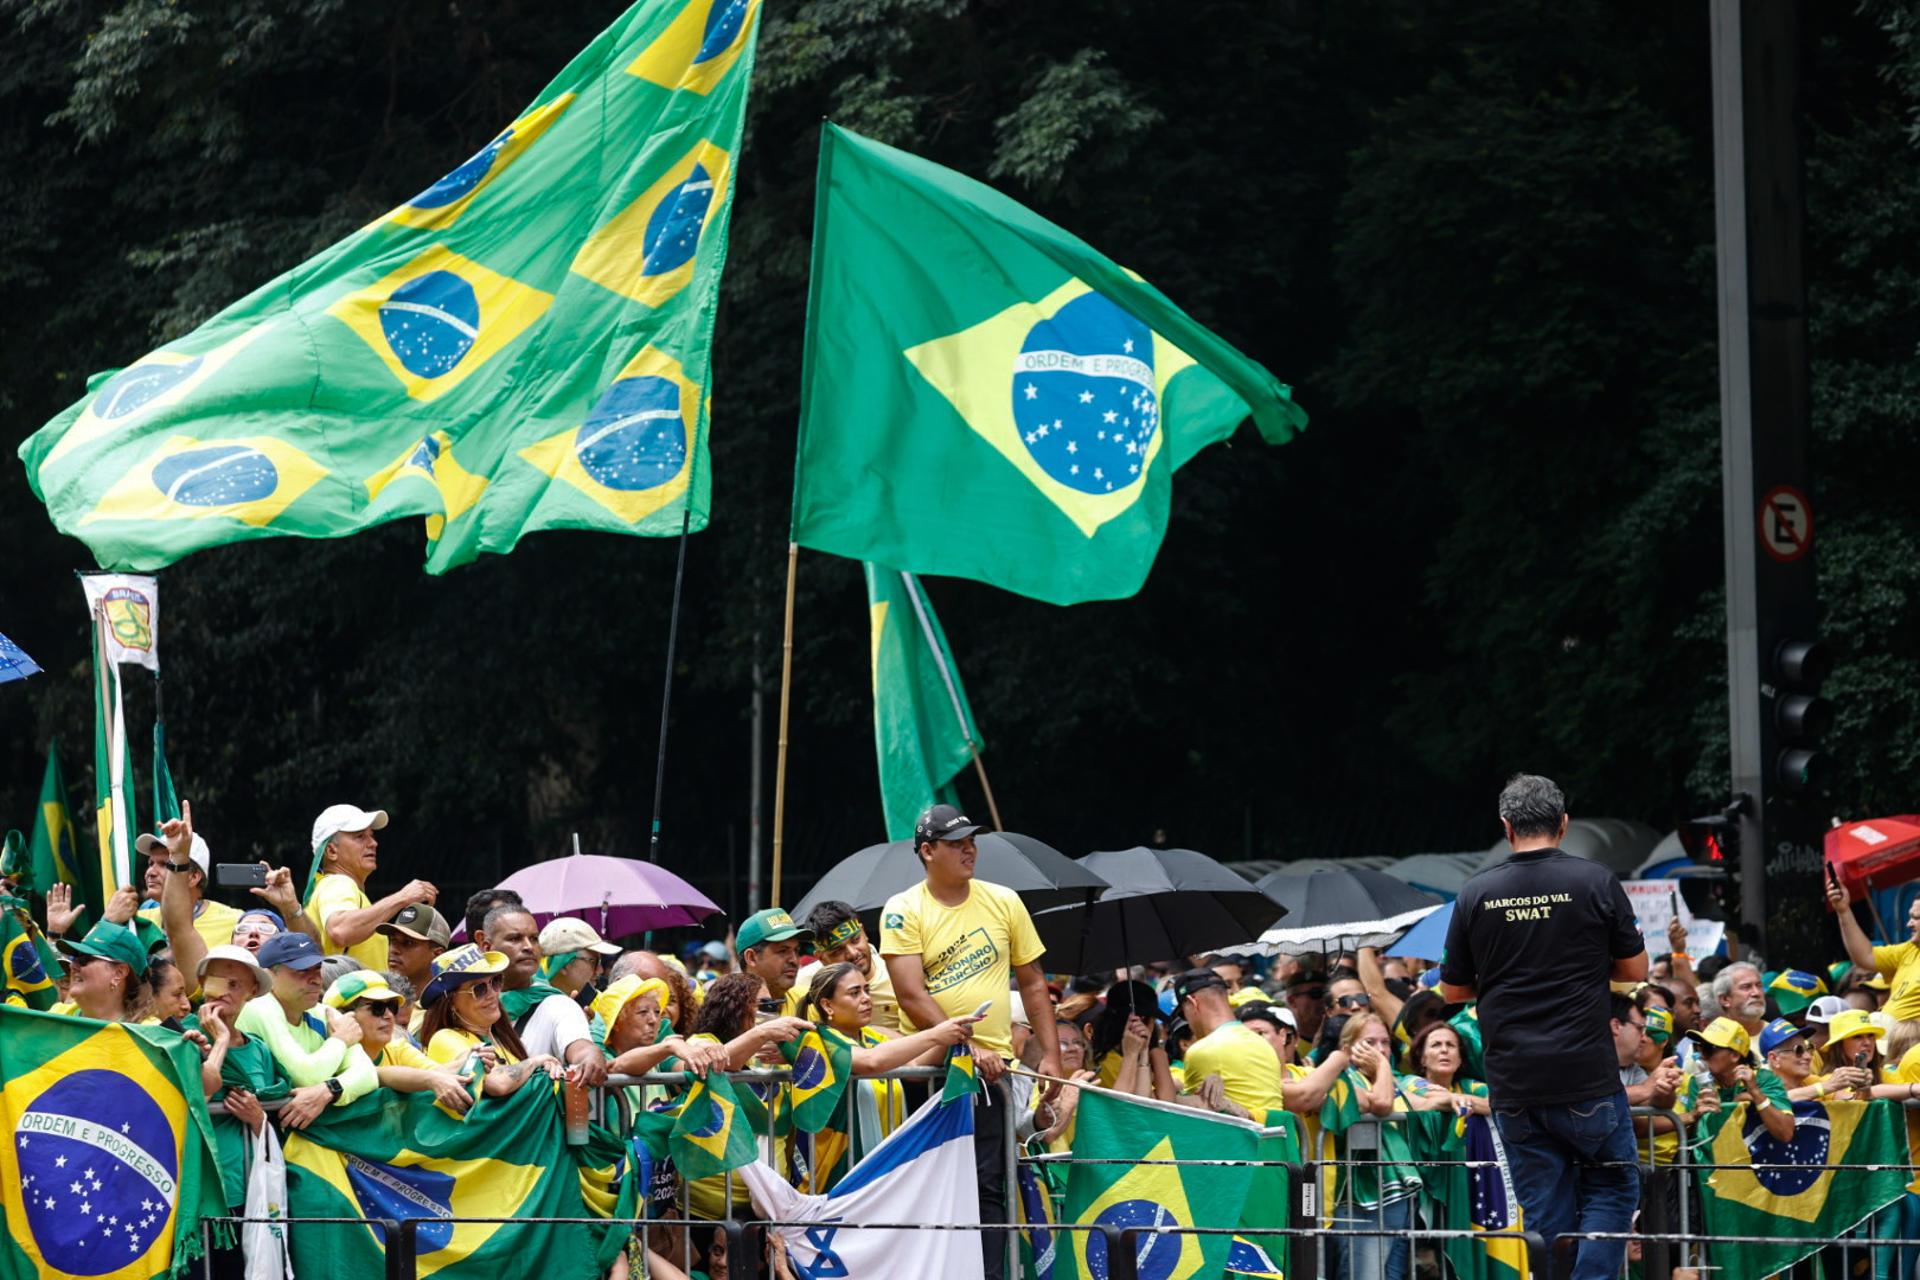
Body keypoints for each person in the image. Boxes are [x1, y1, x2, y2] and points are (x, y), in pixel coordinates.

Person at [1439, 774, 1647, 1280]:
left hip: (1515, 1083)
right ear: (1564, 825)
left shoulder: (1476, 892)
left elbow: (1452, 991)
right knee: (1614, 1187)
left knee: (1548, 1215)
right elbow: (1635, 971)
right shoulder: (1595, 880)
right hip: (1586, 1075)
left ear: (1507, 827)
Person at [880, 803, 1062, 1280]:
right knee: (929, 1184)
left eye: (972, 840)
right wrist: (968, 1044)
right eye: (956, 842)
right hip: (931, 1069)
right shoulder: (903, 908)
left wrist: (1054, 1059)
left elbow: (1035, 984)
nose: (969, 849)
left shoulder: (1004, 900)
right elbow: (909, 993)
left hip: (994, 1075)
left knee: (990, 1185)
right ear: (926, 851)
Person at [796, 961, 980, 1191]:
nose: (866, 998)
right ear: (828, 1005)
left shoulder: (874, 1036)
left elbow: (914, 1065)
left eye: (867, 990)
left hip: (880, 1174)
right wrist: (936, 1034)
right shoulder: (816, 1038)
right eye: (855, 993)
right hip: (834, 1174)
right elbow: (872, 1062)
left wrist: (953, 1035)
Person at [234, 931, 380, 1128]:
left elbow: (368, 1074)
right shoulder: (258, 1006)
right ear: (268, 976)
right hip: (249, 1135)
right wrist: (340, 1041)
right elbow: (305, 1076)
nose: (316, 980)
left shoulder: (324, 1012)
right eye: (301, 971)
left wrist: (329, 1090)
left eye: (317, 969)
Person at [474, 904, 609, 1087]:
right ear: (486, 945)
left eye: (534, 939)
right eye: (515, 939)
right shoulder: (464, 1003)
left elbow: (579, 1047)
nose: (529, 947)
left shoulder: (559, 1006)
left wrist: (591, 1055)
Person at [305, 802, 437, 970]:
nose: (373, 843)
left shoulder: (328, 887)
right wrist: (403, 897)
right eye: (360, 836)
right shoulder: (338, 884)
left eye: (371, 835)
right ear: (331, 851)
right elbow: (340, 930)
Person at [418, 944, 565, 1095]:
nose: (492, 994)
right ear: (451, 1003)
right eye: (479, 989)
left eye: (495, 982)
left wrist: (546, 1068)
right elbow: (497, 1084)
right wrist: (536, 1062)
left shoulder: (502, 1039)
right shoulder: (444, 1038)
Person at [324, 969, 475, 1112]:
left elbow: (438, 1073)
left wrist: (468, 1059)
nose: (389, 1015)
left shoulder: (397, 1048)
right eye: (377, 1008)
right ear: (342, 1016)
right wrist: (432, 1079)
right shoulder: (332, 1057)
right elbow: (373, 1074)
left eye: (392, 1006)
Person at [1829, 876, 1920, 1023]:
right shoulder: (1909, 950)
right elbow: (1865, 956)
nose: (1909, 924)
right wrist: (1843, 910)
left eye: (1916, 918)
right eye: (1910, 917)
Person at [1689, 1017, 1794, 1142]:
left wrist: (1755, 1093)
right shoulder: (1698, 1083)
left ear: (1735, 1055)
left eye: (1708, 1049)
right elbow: (1691, 1138)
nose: (1701, 1055)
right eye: (1699, 1047)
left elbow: (1786, 1133)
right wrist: (1695, 1115)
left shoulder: (1763, 1079)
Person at [804, 899, 898, 1030]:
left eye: (855, 940)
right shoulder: (804, 984)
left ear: (863, 932)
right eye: (838, 951)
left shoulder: (898, 974)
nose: (852, 953)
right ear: (821, 958)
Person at [53, 919, 150, 1021]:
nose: (72, 965)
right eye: (75, 957)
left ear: (119, 973)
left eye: (84, 959)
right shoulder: (54, 1017)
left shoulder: (147, 1034)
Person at [1401, 1019, 1489, 1115]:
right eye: (1436, 1045)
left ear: (1460, 1059)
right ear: (1422, 1059)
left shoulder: (1468, 1085)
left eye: (1450, 1045)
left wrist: (1453, 1098)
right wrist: (1474, 1102)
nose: (1444, 1050)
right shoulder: (1410, 1081)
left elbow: (1496, 1103)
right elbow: (1438, 1098)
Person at [736, 908, 812, 1016]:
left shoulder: (808, 1002)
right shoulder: (726, 1011)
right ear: (751, 957)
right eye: (783, 951)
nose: (794, 960)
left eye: (797, 950)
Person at [377, 903, 451, 998]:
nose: (394, 950)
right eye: (393, 940)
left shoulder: (450, 1007)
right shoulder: (377, 1002)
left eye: (408, 943)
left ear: (438, 955)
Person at [540, 916, 622, 999]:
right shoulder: (535, 1005)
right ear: (563, 964)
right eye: (593, 961)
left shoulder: (595, 1003)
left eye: (600, 961)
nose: (600, 970)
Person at [1709, 962, 1768, 1039]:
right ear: (1725, 999)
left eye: (1759, 985)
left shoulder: (1779, 1033)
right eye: (1746, 987)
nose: (1757, 993)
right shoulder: (1713, 1041)